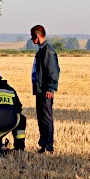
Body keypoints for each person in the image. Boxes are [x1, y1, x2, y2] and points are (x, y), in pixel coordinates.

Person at [30, 25, 60, 154]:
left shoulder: (48, 50)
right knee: (41, 118)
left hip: (45, 91)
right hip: (40, 90)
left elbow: (53, 71)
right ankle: (43, 145)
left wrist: (50, 88)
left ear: (37, 36)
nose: (32, 40)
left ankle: (48, 146)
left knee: (46, 118)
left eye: (32, 37)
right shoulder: (42, 50)